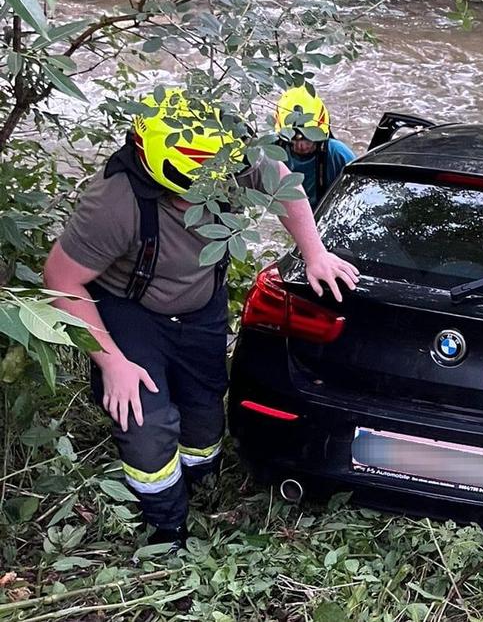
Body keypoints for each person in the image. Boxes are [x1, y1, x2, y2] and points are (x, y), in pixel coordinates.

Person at [43, 89, 359, 549]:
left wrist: (314, 254)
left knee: (204, 409)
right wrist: (112, 362)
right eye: (191, 190)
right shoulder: (113, 202)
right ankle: (167, 528)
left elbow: (285, 185)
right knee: (144, 423)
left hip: (201, 307)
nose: (204, 198)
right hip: (132, 311)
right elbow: (60, 279)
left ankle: (202, 480)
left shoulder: (229, 153)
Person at [274, 86, 356, 209]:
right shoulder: (272, 150)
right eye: (293, 140)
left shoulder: (338, 153)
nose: (301, 146)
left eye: (308, 139)